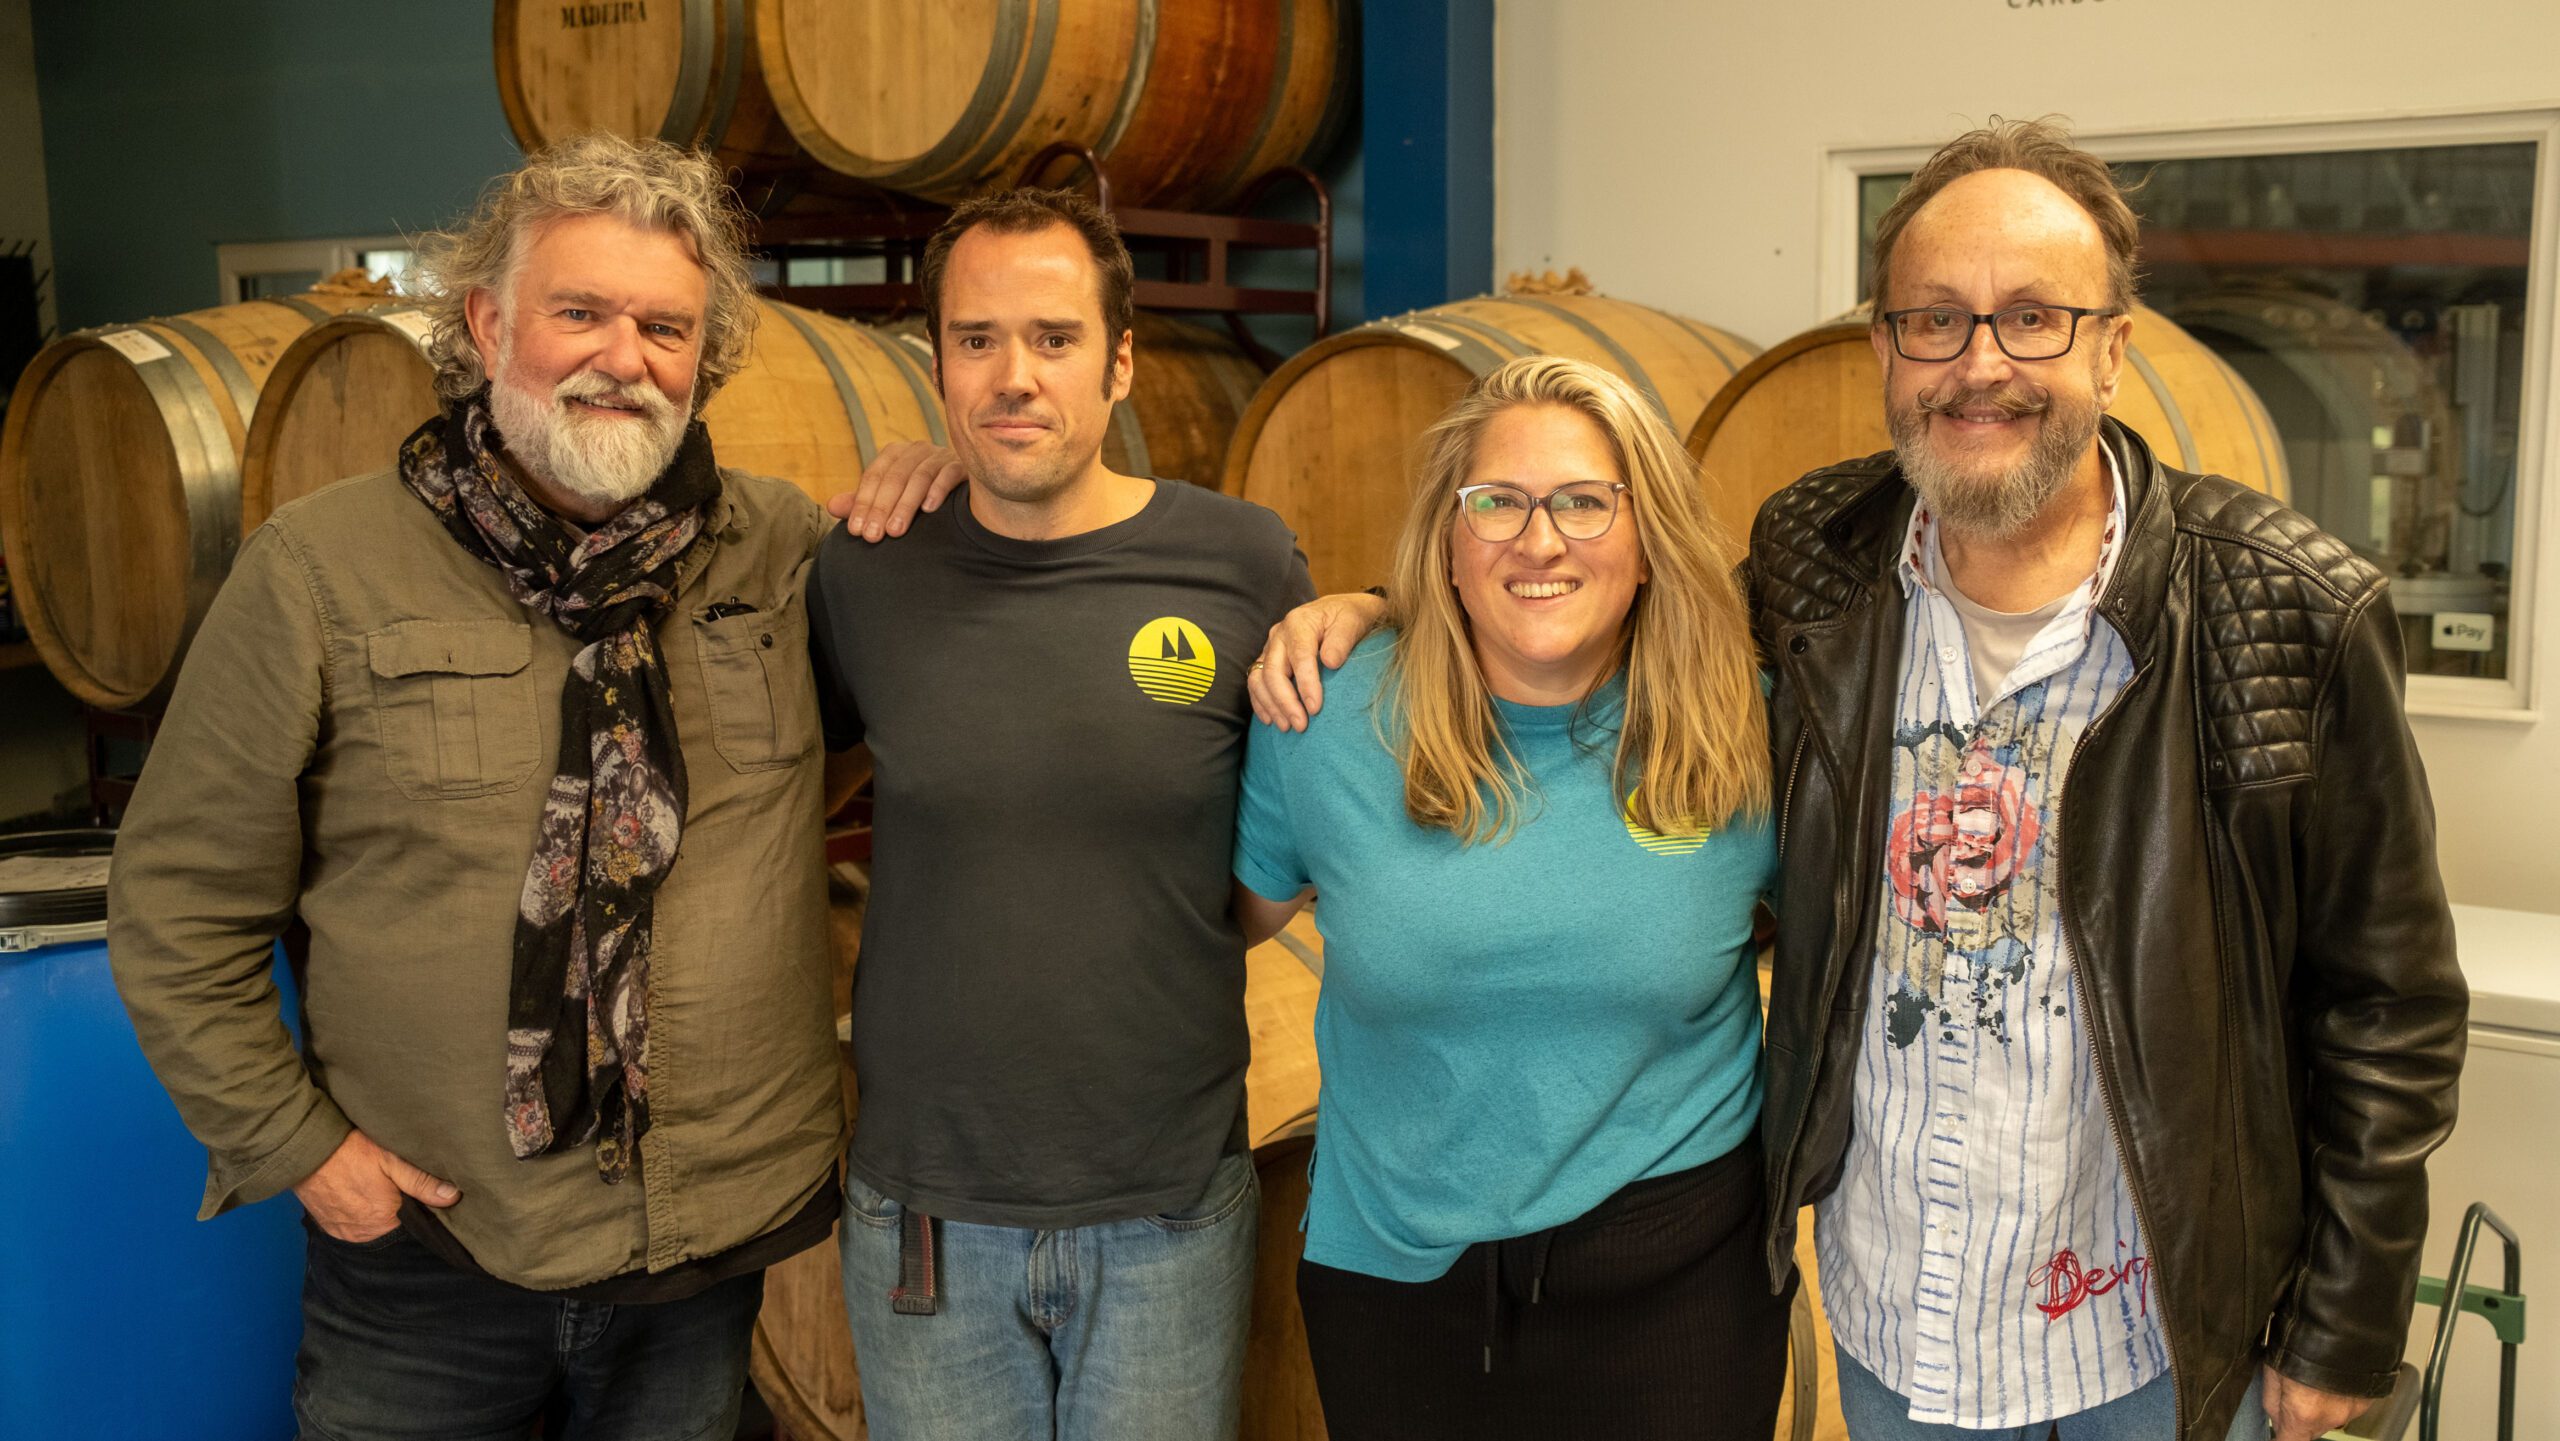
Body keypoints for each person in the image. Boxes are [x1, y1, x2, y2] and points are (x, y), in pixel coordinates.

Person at [1251, 119, 2466, 1441]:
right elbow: (1594, 618)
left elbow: (2386, 1006)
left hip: (2158, 1342)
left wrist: (2346, 1318)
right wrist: (1390, 610)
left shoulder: (2287, 614)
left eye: (2034, 319)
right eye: (1935, 320)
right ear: (1886, 350)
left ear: (2117, 346)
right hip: (1900, 1333)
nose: (1980, 364)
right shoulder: (1813, 569)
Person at [108, 135, 845, 1440]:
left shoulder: (780, 552)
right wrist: (302, 1152)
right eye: (580, 312)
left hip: (703, 1249)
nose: (623, 356)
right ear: (489, 320)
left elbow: (974, 645)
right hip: (428, 1252)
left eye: (664, 326)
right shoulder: (320, 571)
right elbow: (178, 901)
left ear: (705, 357)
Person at [803, 187, 1315, 1441]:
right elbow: (786, 806)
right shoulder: (868, 569)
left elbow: (1290, 840)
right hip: (927, 1209)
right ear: (936, 364)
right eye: (976, 340)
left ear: (1121, 361)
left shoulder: (1242, 562)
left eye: (1053, 337)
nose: (1012, 375)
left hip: (1165, 1208)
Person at [1228, 356, 1790, 1439]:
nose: (1539, 541)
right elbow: (1200, 937)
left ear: (1648, 540)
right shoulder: (1326, 715)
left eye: (1584, 501)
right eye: (1497, 503)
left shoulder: (1745, 723)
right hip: (1396, 1279)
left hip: (1679, 1279)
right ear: (1446, 539)